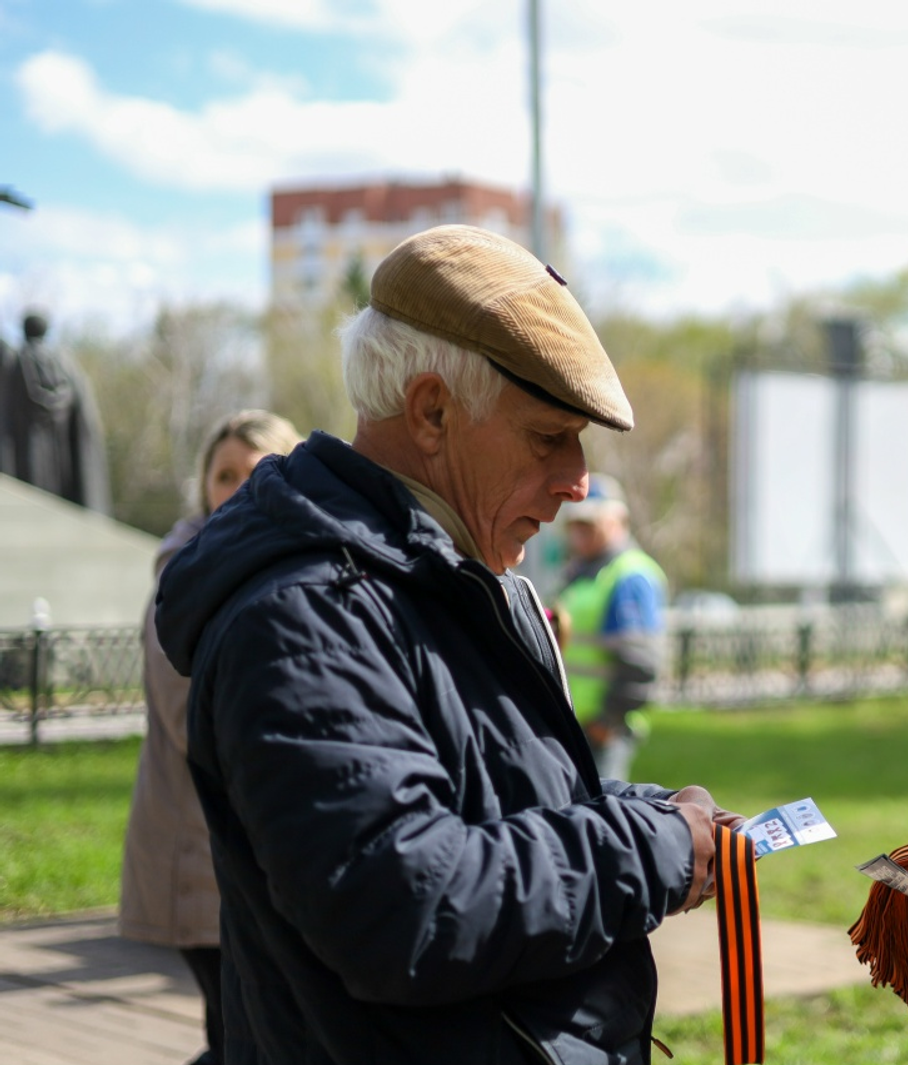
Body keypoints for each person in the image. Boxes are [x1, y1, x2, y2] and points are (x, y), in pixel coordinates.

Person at [153, 224, 735, 1065]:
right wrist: (658, 849)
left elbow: (492, 807)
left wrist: (645, 817)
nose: (577, 481)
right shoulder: (309, 616)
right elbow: (409, 907)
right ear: (431, 411)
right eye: (548, 435)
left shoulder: (445, 577)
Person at [119, 409, 302, 1065]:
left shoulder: (282, 563)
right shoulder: (188, 577)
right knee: (242, 1036)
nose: (236, 489)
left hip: (249, 851)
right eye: (223, 475)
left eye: (255, 473)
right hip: (199, 852)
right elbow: (196, 720)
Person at [557, 473, 667, 780]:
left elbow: (640, 664)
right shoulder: (584, 570)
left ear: (617, 520)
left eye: (589, 523)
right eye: (576, 523)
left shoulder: (630, 575)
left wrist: (607, 721)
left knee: (599, 819)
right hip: (576, 724)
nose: (580, 531)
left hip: (603, 731)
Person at [0, 310, 111, 513]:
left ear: (24, 331)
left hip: (25, 462)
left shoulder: (14, 363)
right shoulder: (67, 365)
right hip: (65, 470)